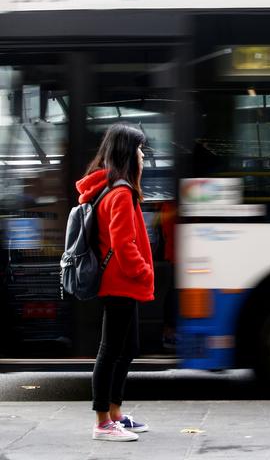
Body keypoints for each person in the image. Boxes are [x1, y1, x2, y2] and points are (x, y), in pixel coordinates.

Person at [75, 123, 154, 441]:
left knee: (128, 347)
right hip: (120, 281)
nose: (143, 157)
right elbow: (123, 246)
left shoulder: (117, 188)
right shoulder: (120, 193)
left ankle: (116, 413)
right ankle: (102, 422)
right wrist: (145, 272)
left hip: (123, 282)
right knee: (110, 351)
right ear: (127, 153)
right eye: (139, 150)